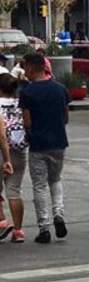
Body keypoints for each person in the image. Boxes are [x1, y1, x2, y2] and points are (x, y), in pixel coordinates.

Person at [19, 52, 69, 245]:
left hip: (38, 145)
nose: (25, 72)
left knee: (39, 185)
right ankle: (59, 214)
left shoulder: (27, 92)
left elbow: (27, 121)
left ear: (32, 68)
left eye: (25, 68)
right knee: (55, 180)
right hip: (59, 142)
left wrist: (30, 135)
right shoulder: (61, 89)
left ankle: (44, 227)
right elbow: (65, 117)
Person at [0, 72, 28, 242]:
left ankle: (2, 222)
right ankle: (18, 231)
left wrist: (6, 159)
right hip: (19, 151)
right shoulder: (20, 104)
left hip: (1, 152)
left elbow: (1, 136)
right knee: (14, 192)